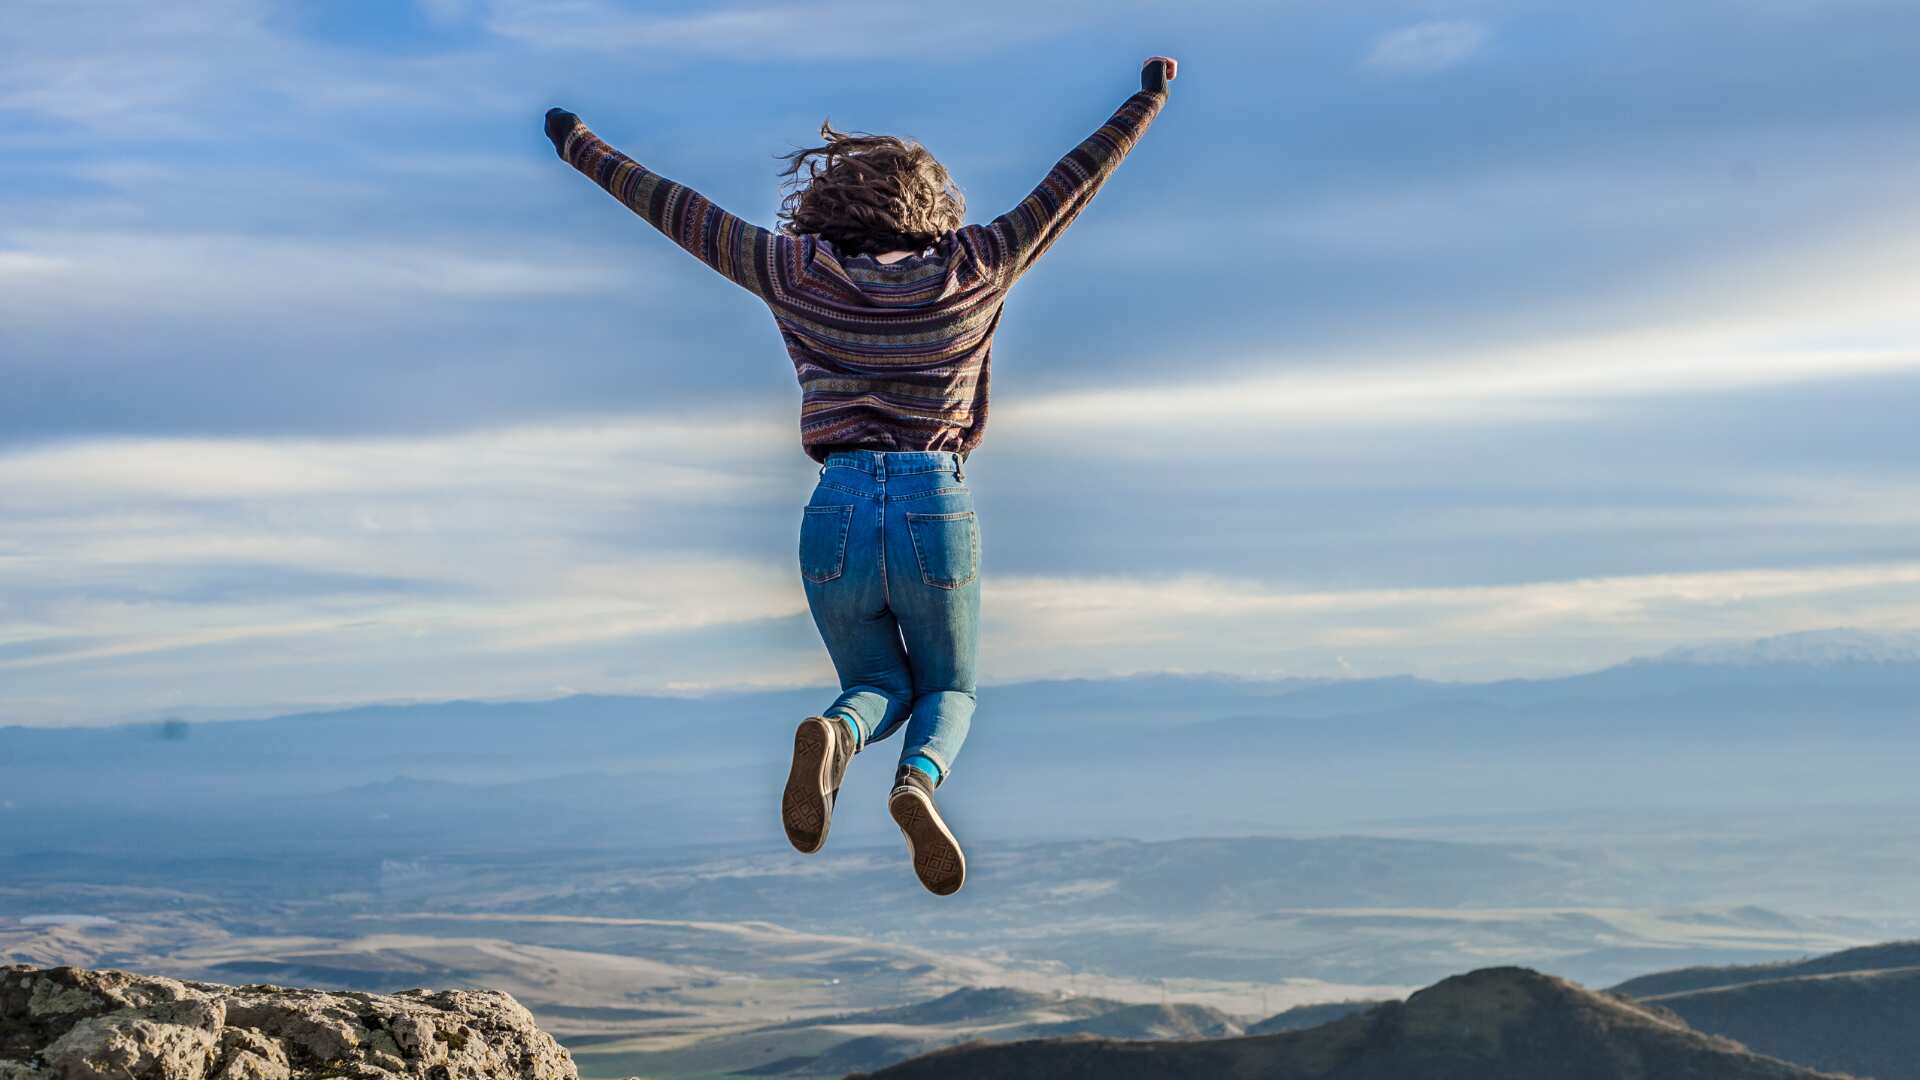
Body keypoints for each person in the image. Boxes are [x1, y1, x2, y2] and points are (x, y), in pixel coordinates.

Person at [545, 55, 1177, 895]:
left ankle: (840, 734)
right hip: (933, 500)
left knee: (876, 681)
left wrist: (577, 144)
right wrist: (1147, 99)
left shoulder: (794, 271)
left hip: (835, 507)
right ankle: (916, 785)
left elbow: (677, 210)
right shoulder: (978, 265)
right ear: (933, 206)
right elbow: (1072, 181)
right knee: (949, 685)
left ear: (826, 206)